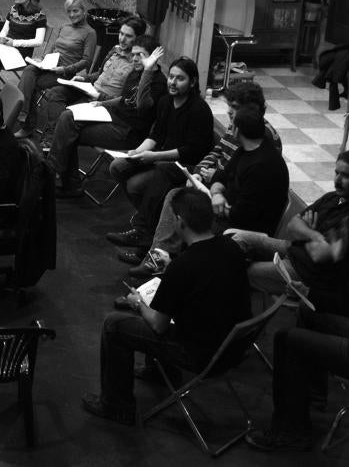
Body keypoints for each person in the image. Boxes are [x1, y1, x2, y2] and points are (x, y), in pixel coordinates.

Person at [246, 188, 349, 452]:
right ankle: (310, 394)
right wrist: (313, 292)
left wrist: (341, 284)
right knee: (310, 312)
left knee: (288, 341)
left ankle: (291, 432)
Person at [82, 188, 251, 425]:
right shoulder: (231, 248)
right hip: (232, 348)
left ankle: (116, 405)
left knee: (114, 325)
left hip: (199, 354)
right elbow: (206, 278)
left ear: (180, 222)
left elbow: (158, 325)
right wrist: (171, 265)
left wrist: (138, 303)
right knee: (170, 303)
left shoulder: (183, 266)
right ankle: (159, 373)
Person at [129, 81, 284, 274]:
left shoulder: (260, 143)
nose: (230, 115)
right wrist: (208, 181)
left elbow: (243, 203)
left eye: (234, 109)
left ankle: (159, 259)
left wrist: (216, 187)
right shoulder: (242, 135)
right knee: (170, 188)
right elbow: (221, 163)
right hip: (217, 193)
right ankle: (155, 254)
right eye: (230, 109)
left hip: (238, 222)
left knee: (177, 200)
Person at [229, 150, 349, 310]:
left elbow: (318, 254)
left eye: (346, 176)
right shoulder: (333, 198)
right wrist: (314, 234)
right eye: (336, 173)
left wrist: (306, 232)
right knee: (237, 238)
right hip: (292, 248)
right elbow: (292, 225)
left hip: (305, 273)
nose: (337, 180)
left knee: (235, 272)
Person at [104, 57, 215, 249]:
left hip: (187, 165)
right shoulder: (165, 102)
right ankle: (150, 223)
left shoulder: (199, 110)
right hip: (162, 157)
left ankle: (143, 230)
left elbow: (191, 150)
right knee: (118, 166)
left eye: (179, 78)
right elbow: (156, 135)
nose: (172, 82)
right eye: (171, 77)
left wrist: (154, 156)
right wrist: (137, 152)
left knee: (136, 184)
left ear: (193, 82)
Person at [45, 35, 166, 197]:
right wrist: (103, 104)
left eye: (140, 55)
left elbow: (142, 105)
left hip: (129, 132)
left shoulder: (158, 82)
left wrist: (148, 71)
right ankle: (61, 178)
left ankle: (58, 177)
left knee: (68, 130)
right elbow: (124, 99)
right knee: (67, 117)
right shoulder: (135, 72)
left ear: (152, 58)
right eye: (134, 54)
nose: (135, 59)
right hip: (113, 117)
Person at [18, 15, 147, 141]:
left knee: (66, 114)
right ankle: (52, 136)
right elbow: (99, 74)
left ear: (138, 39)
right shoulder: (115, 50)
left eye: (128, 36)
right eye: (121, 34)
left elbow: (124, 100)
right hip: (89, 89)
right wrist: (84, 79)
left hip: (104, 101)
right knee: (55, 93)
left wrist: (99, 97)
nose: (122, 39)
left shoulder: (137, 63)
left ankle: (52, 139)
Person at [15, 0, 97, 133]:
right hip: (49, 66)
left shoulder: (90, 33)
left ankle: (24, 119)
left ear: (84, 11)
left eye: (75, 11)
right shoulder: (64, 27)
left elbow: (86, 61)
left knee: (32, 83)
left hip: (64, 73)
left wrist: (65, 69)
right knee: (29, 69)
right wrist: (42, 59)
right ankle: (22, 113)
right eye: (69, 11)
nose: (72, 14)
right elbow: (53, 48)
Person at [205, 106, 290, 239]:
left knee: (191, 219)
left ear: (237, 130)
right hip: (227, 215)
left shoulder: (262, 167)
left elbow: (242, 216)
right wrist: (216, 194)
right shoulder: (245, 149)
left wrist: (219, 204)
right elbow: (221, 176)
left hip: (243, 233)